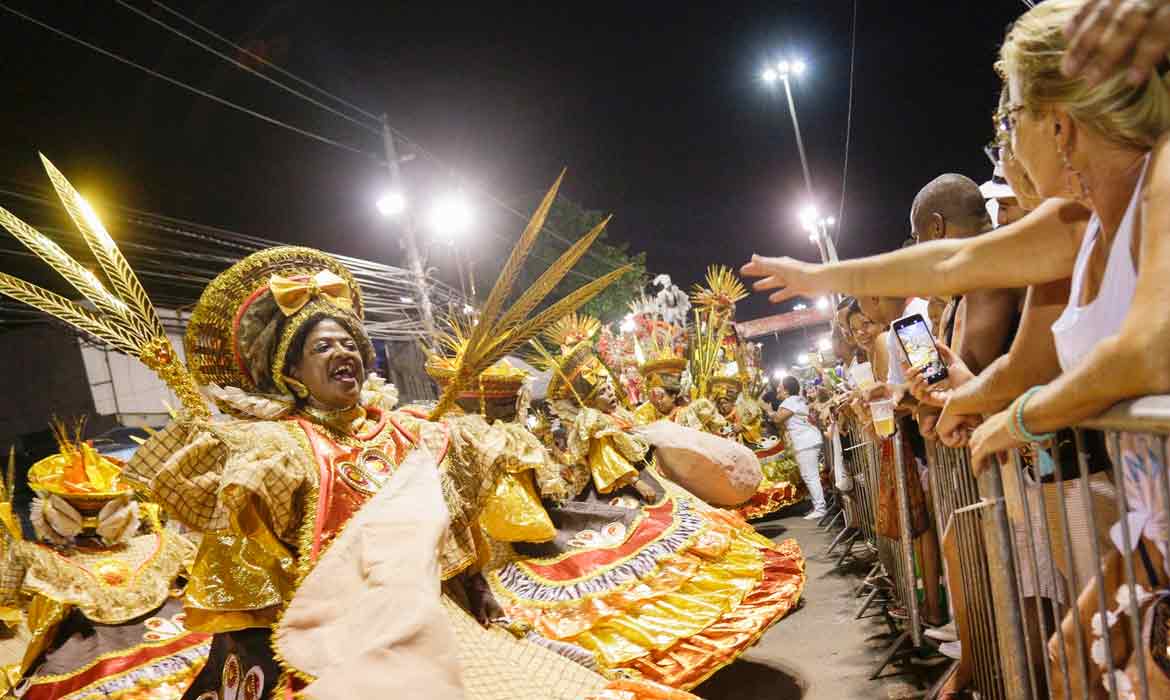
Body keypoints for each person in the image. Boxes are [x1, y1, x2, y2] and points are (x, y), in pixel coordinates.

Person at [772, 376, 826, 519]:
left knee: (810, 476)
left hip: (805, 442)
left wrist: (768, 411)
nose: (777, 389)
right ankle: (818, 506)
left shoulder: (790, 401)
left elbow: (778, 419)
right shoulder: (797, 400)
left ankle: (820, 508)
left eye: (780, 386)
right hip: (808, 440)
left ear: (786, 390)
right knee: (810, 475)